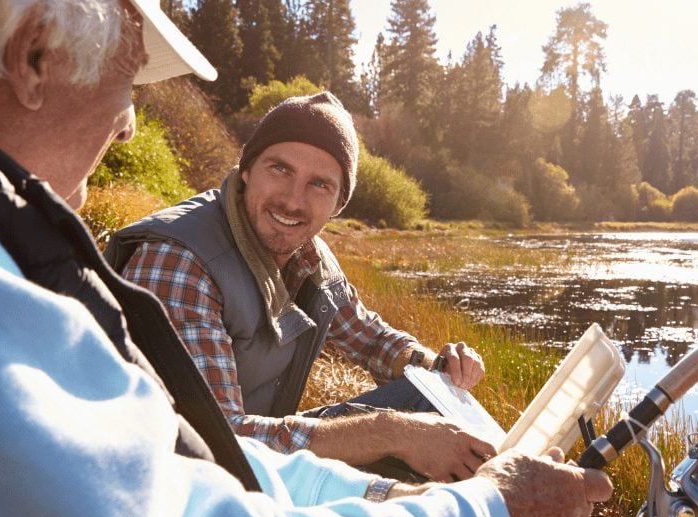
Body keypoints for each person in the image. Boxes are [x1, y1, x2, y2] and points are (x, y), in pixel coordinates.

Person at [0, 1, 611, 517]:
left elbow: (182, 458)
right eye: (128, 81)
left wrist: (406, 437)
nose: (131, 128)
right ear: (34, 56)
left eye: (322, 184)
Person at [106, 92, 495, 483]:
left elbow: (372, 340)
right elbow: (215, 441)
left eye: (319, 184)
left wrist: (437, 365)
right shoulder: (179, 260)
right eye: (279, 169)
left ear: (337, 204)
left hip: (254, 458)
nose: (293, 200)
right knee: (411, 435)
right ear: (246, 171)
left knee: (431, 398)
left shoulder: (309, 256)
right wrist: (394, 434)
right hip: (177, 479)